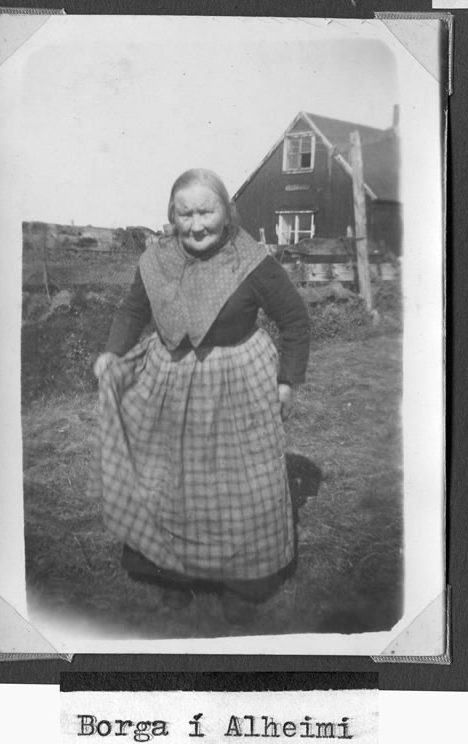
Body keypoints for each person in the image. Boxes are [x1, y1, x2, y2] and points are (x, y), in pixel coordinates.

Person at [92, 168, 310, 624]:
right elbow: (133, 309)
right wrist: (113, 352)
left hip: (238, 379)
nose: (195, 225)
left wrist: (287, 380)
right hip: (169, 379)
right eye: (185, 214)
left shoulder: (250, 261)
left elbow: (294, 319)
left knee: (242, 485)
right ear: (172, 215)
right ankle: (174, 575)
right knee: (170, 481)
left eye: (206, 212)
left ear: (227, 211)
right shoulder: (156, 260)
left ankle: (241, 583)